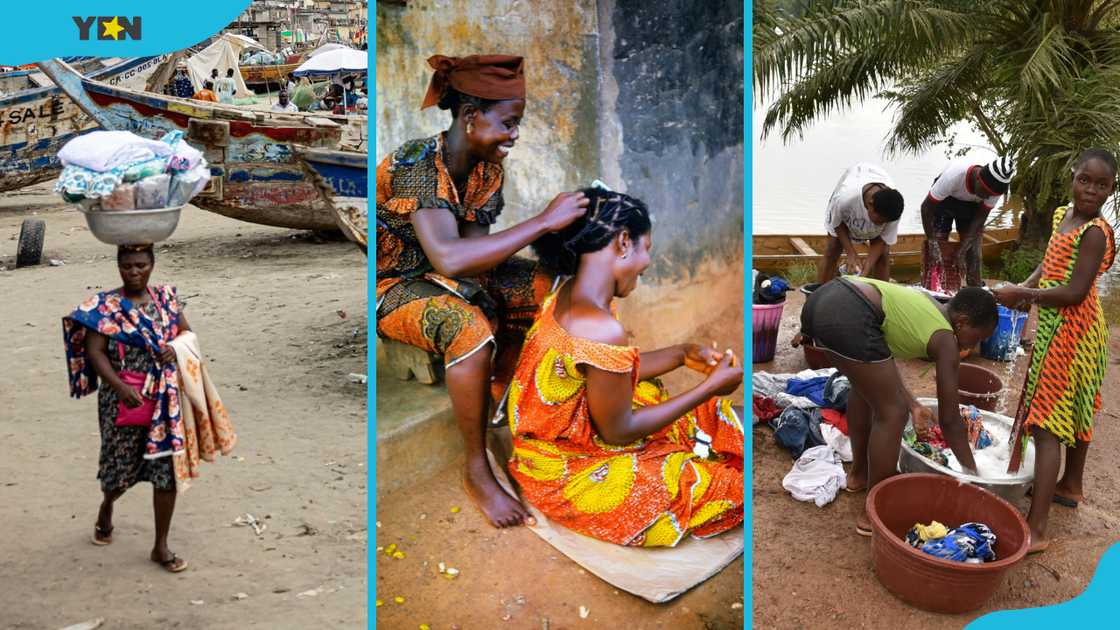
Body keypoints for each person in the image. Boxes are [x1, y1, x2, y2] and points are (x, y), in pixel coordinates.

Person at [376, 54, 589, 528]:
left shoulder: (487, 170)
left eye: (517, 123)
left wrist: (561, 238)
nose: (514, 134)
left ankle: (507, 397)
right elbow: (448, 258)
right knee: (466, 325)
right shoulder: (415, 163)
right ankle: (476, 467)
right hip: (393, 285)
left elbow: (478, 256)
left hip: (449, 274)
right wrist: (543, 221)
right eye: (508, 123)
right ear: (471, 117)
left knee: (548, 288)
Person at [508, 188, 745, 546]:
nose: (647, 262)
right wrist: (709, 387)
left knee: (684, 411)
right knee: (726, 487)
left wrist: (681, 353)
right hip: (566, 475)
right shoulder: (600, 326)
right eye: (646, 247)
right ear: (622, 242)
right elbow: (618, 432)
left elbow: (610, 373)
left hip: (541, 454)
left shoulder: (574, 293)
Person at [794, 278, 997, 535]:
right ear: (962, 322)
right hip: (849, 313)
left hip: (823, 300)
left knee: (865, 389)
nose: (974, 345)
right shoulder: (946, 340)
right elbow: (950, 421)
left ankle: (859, 475)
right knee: (893, 413)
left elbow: (881, 367)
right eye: (977, 337)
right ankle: (874, 510)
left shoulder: (928, 305)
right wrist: (974, 475)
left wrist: (913, 404)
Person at [992, 148, 1117, 554]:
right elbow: (1050, 267)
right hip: (1055, 327)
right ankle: (1071, 485)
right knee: (1077, 407)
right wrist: (1022, 287)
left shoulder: (1095, 232)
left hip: (1074, 334)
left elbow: (1076, 291)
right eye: (1086, 180)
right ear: (1073, 177)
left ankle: (1038, 528)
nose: (1091, 190)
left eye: (1102, 185)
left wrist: (1024, 295)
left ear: (1111, 190)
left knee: (1046, 426)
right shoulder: (1065, 214)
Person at [62, 245, 191, 573]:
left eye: (141, 265)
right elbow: (95, 351)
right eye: (128, 266)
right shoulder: (105, 307)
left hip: (164, 400)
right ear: (118, 267)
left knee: (166, 473)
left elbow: (186, 333)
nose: (134, 272)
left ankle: (160, 546)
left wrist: (175, 349)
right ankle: (107, 506)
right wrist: (120, 387)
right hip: (120, 401)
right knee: (118, 472)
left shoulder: (165, 300)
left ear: (152, 265)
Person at [922, 156, 1014, 287]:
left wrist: (962, 249)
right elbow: (926, 208)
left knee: (972, 248)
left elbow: (979, 220)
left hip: (971, 204)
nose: (987, 197)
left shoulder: (994, 189)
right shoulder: (952, 176)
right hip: (946, 199)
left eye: (991, 195)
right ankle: (933, 287)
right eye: (985, 192)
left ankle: (974, 289)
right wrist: (932, 242)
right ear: (978, 178)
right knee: (938, 245)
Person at [819, 163, 904, 284]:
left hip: (877, 181)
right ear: (870, 204)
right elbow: (837, 223)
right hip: (851, 183)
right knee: (833, 248)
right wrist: (851, 253)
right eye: (879, 221)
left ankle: (880, 300)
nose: (881, 225)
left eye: (885, 222)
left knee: (883, 256)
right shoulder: (845, 199)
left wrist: (866, 269)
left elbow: (882, 240)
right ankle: (819, 295)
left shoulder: (893, 208)